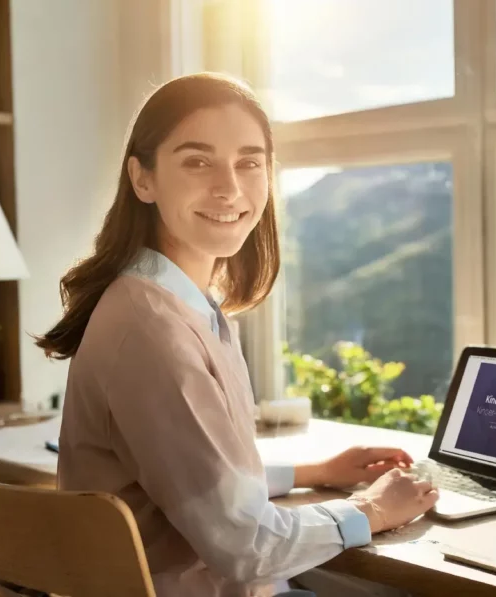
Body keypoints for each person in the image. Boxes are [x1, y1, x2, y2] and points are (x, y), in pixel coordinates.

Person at [35, 72, 438, 597]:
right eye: (198, 161)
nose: (229, 187)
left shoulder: (172, 301)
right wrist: (373, 509)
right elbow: (247, 546)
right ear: (143, 179)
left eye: (249, 162)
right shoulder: (151, 332)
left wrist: (314, 470)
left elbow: (192, 475)